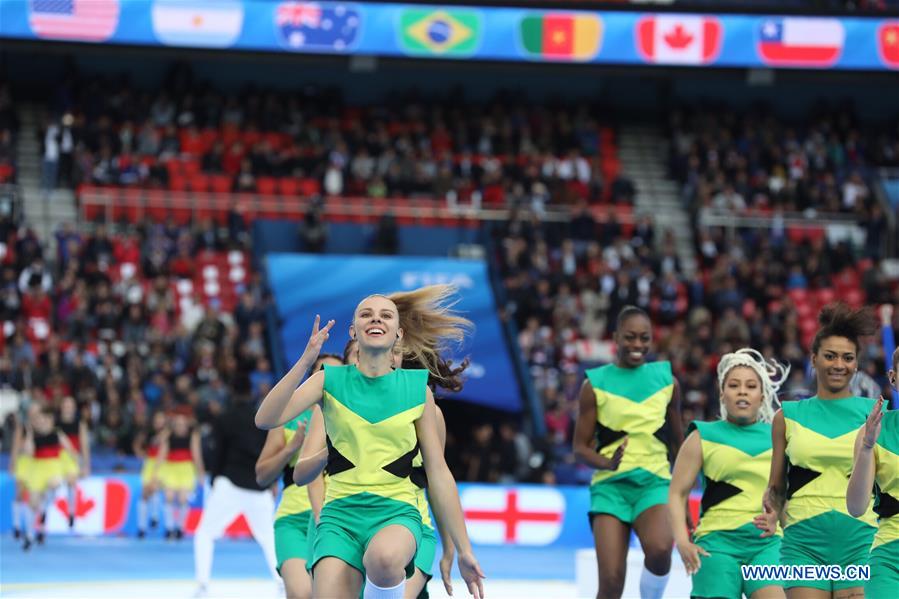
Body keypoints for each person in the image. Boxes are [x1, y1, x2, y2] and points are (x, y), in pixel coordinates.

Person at [256, 285, 485, 599]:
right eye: (366, 314)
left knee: (385, 558)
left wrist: (463, 549)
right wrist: (306, 360)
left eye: (385, 315)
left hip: (396, 512)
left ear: (398, 334)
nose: (375, 319)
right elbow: (265, 419)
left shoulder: (418, 390)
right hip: (339, 518)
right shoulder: (328, 381)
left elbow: (439, 473)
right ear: (353, 331)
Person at [761, 303, 878, 598]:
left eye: (847, 358)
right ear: (813, 359)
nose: (839, 364)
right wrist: (772, 511)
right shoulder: (785, 417)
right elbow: (777, 485)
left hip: (863, 540)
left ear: (856, 364)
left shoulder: (878, 415)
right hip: (802, 542)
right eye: (830, 356)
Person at [573, 305, 684, 599]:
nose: (638, 345)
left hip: (655, 484)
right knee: (610, 583)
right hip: (610, 489)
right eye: (630, 337)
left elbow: (679, 443)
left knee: (661, 552)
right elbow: (579, 448)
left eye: (644, 338)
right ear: (616, 338)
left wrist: (685, 490)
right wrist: (606, 462)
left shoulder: (668, 381)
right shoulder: (593, 385)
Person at [669, 348, 788, 599]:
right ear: (723, 394)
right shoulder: (701, 435)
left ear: (762, 394)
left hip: (768, 544)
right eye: (734, 385)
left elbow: (789, 494)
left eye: (750, 386)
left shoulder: (780, 435)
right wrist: (682, 541)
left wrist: (777, 517)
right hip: (716, 544)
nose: (742, 391)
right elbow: (677, 493)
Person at [255, 353, 343, 599]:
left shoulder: (354, 417)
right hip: (293, 520)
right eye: (322, 370)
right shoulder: (289, 418)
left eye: (337, 372)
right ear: (312, 377)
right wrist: (291, 448)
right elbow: (262, 475)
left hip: (336, 516)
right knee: (302, 593)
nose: (328, 377)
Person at [193, 375, 281, 598]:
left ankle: (202, 584)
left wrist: (214, 479)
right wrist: (270, 482)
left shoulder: (224, 418)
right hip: (258, 486)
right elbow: (270, 451)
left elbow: (217, 452)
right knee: (269, 538)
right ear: (250, 393)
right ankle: (282, 582)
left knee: (204, 534)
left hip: (229, 483)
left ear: (231, 393)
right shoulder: (260, 418)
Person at [847, 345, 899, 599]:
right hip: (889, 560)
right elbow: (856, 507)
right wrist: (867, 447)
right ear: (893, 378)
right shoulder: (874, 432)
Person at [23, 406, 78, 548]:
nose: (42, 423)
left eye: (45, 420)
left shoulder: (57, 434)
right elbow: (28, 453)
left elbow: (69, 448)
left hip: (54, 467)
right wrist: (29, 434)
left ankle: (45, 510)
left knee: (54, 484)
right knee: (33, 503)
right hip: (37, 469)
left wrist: (77, 462)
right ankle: (29, 535)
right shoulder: (32, 436)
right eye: (39, 420)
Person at [155, 406, 204, 540]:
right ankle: (169, 528)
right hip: (170, 468)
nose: (180, 426)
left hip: (186, 469)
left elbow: (196, 455)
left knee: (183, 499)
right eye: (177, 424)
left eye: (183, 424)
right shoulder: (168, 435)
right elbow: (161, 454)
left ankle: (180, 528)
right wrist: (156, 472)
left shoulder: (192, 436)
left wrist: (200, 474)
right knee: (169, 497)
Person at [57, 396, 90, 529]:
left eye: (70, 405)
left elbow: (84, 444)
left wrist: (86, 464)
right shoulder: (55, 423)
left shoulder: (80, 424)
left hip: (73, 458)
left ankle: (71, 513)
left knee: (72, 482)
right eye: (65, 405)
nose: (68, 408)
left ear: (74, 408)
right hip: (57, 458)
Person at [134, 410, 168, 538]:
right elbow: (137, 444)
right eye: (157, 419)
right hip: (149, 463)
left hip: (163, 464)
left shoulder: (168, 434)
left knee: (154, 488)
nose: (159, 422)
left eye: (161, 419)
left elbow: (164, 447)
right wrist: (141, 453)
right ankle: (141, 528)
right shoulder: (147, 432)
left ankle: (154, 516)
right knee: (144, 493)